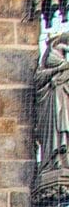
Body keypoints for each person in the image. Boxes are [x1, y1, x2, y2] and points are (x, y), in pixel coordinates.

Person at [39, 31, 69, 175]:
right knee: (56, 131)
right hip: (53, 104)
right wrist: (58, 70)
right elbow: (39, 79)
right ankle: (54, 160)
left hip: (64, 104)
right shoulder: (48, 60)